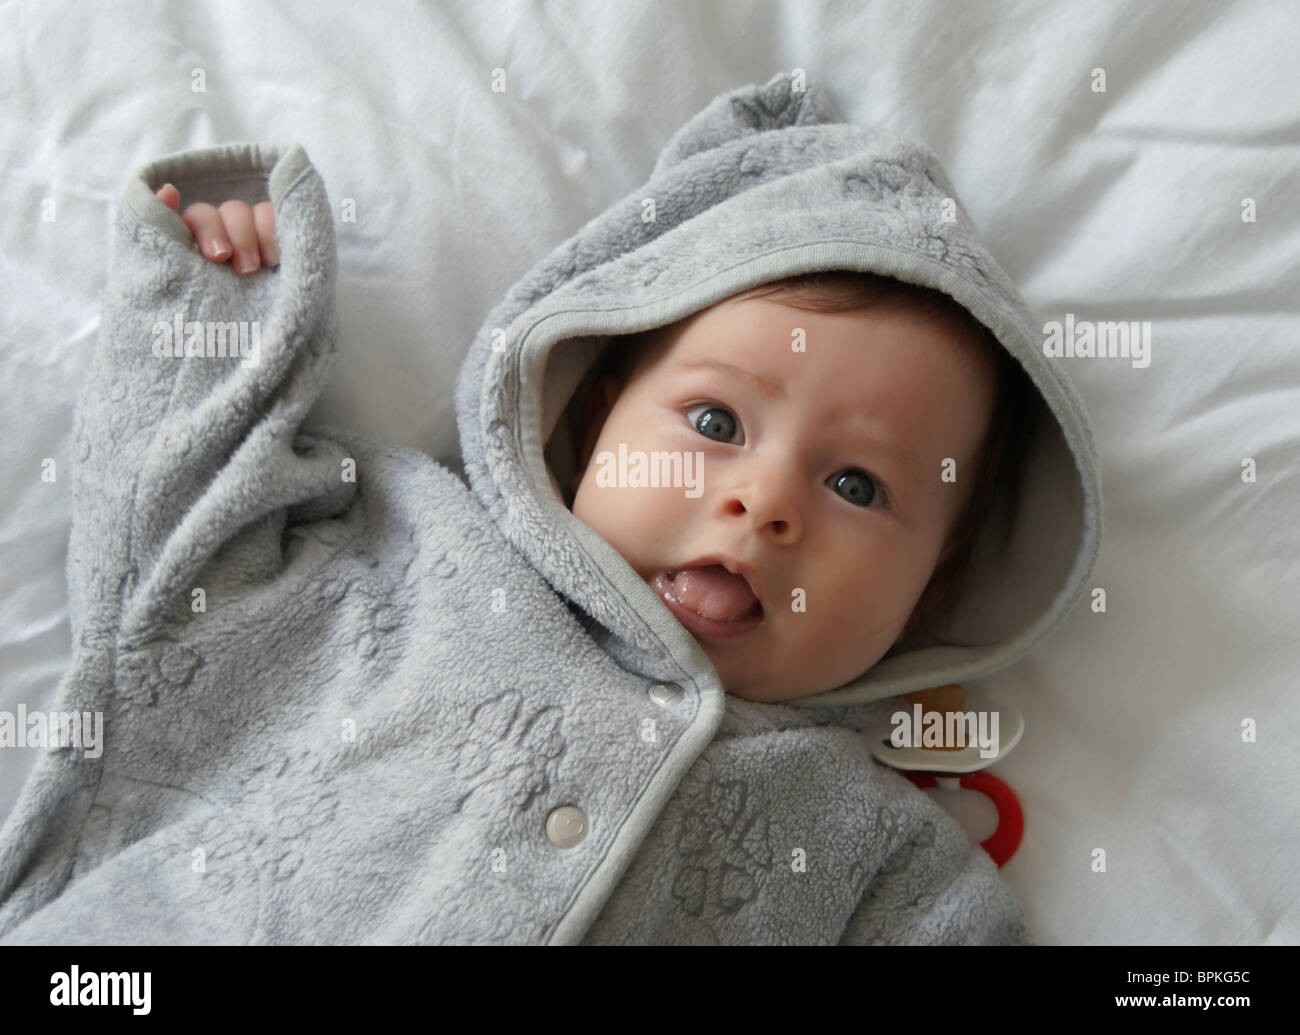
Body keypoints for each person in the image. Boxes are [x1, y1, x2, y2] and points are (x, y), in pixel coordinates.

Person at [0, 72, 1100, 944]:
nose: (762, 503)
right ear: (593, 415)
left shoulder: (880, 864)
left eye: (857, 485)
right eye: (714, 423)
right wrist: (217, 314)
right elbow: (168, 533)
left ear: (931, 590)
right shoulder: (397, 554)